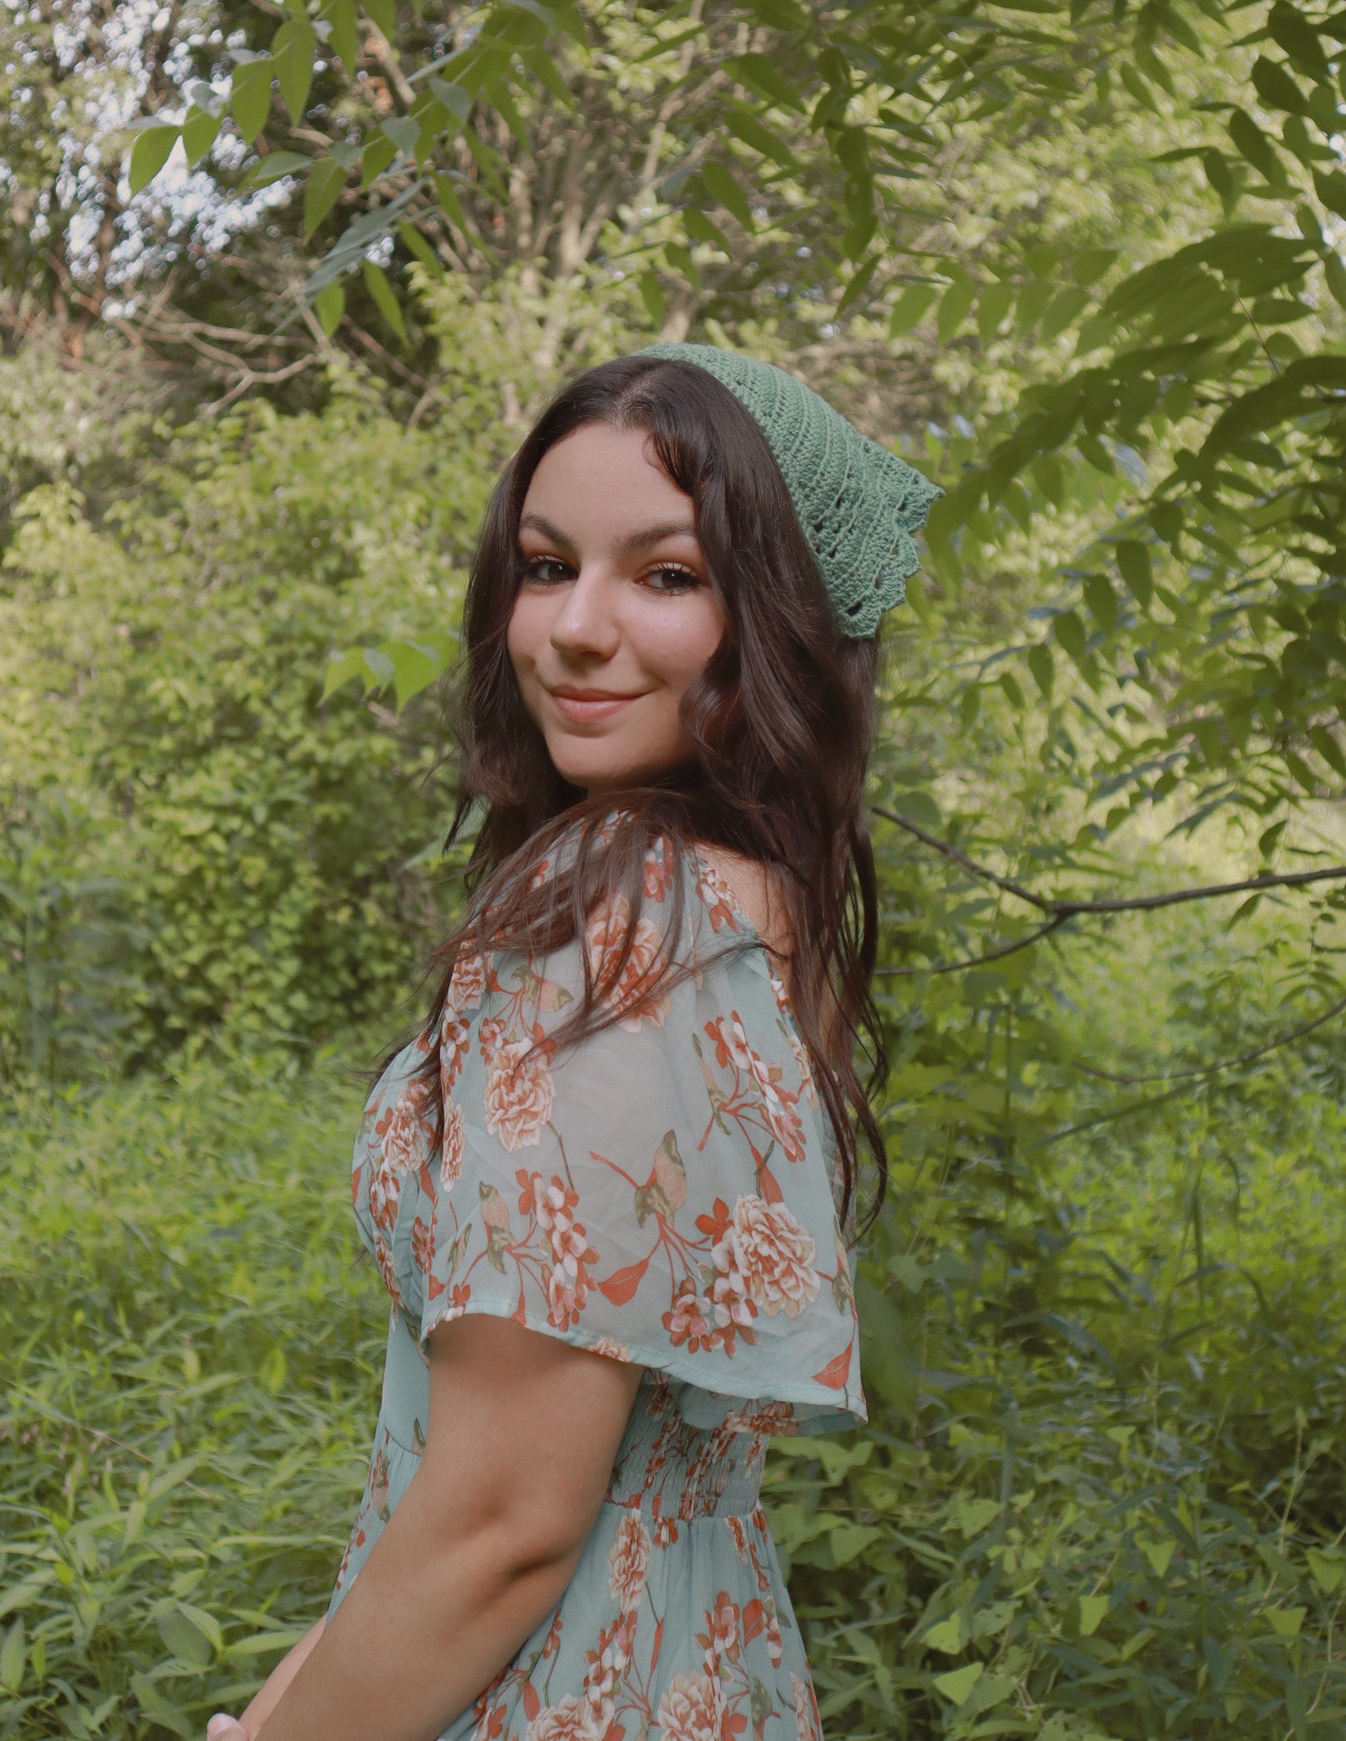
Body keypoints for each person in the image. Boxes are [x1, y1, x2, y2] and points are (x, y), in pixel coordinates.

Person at [205, 343, 941, 1741]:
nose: (572, 629)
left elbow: (505, 1527)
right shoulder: (741, 904)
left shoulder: (614, 926)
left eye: (666, 576)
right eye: (547, 567)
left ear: (771, 616)